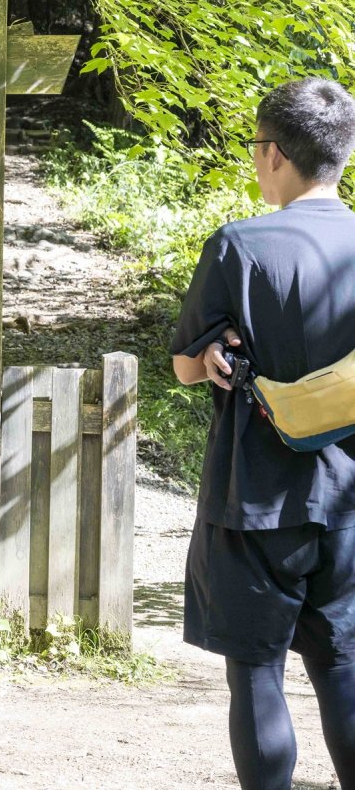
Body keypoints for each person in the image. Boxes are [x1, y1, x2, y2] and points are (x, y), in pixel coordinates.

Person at [170, 77, 355, 790]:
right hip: (347, 503)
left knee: (256, 673)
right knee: (342, 668)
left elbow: (189, 368)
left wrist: (219, 354)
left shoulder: (239, 246)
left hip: (254, 499)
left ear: (274, 153)